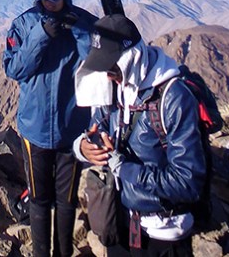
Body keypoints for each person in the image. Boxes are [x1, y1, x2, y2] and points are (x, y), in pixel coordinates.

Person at [73, 14, 206, 256]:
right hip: (121, 222)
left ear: (129, 59)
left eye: (111, 66)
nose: (107, 74)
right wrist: (83, 147)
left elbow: (187, 183)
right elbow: (97, 127)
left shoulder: (173, 98)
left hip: (163, 234)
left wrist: (125, 169)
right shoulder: (115, 87)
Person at [3, 0, 97, 257]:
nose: (48, 3)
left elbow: (96, 67)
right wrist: (42, 34)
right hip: (35, 129)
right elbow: (15, 69)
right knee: (40, 199)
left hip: (72, 130)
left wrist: (78, 31)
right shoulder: (24, 25)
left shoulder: (84, 23)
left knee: (67, 200)